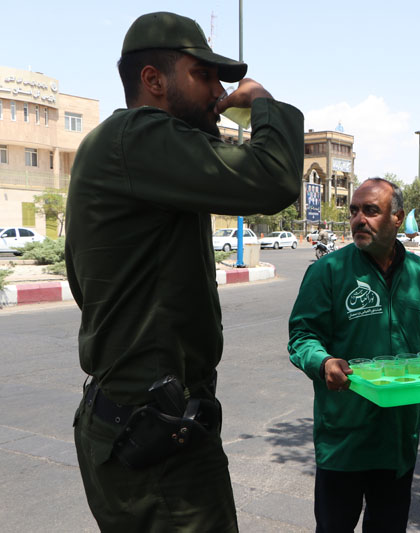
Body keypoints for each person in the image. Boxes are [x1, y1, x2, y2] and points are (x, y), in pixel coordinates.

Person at [65, 11, 303, 531]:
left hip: (134, 429)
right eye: (203, 75)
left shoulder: (121, 152)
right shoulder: (139, 135)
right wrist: (261, 101)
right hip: (158, 451)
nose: (219, 90)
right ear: (153, 80)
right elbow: (274, 176)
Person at [288, 178, 420, 532]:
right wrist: (323, 362)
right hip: (344, 439)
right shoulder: (327, 272)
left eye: (371, 211)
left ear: (398, 218)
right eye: (354, 211)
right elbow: (303, 336)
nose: (358, 219)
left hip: (398, 440)